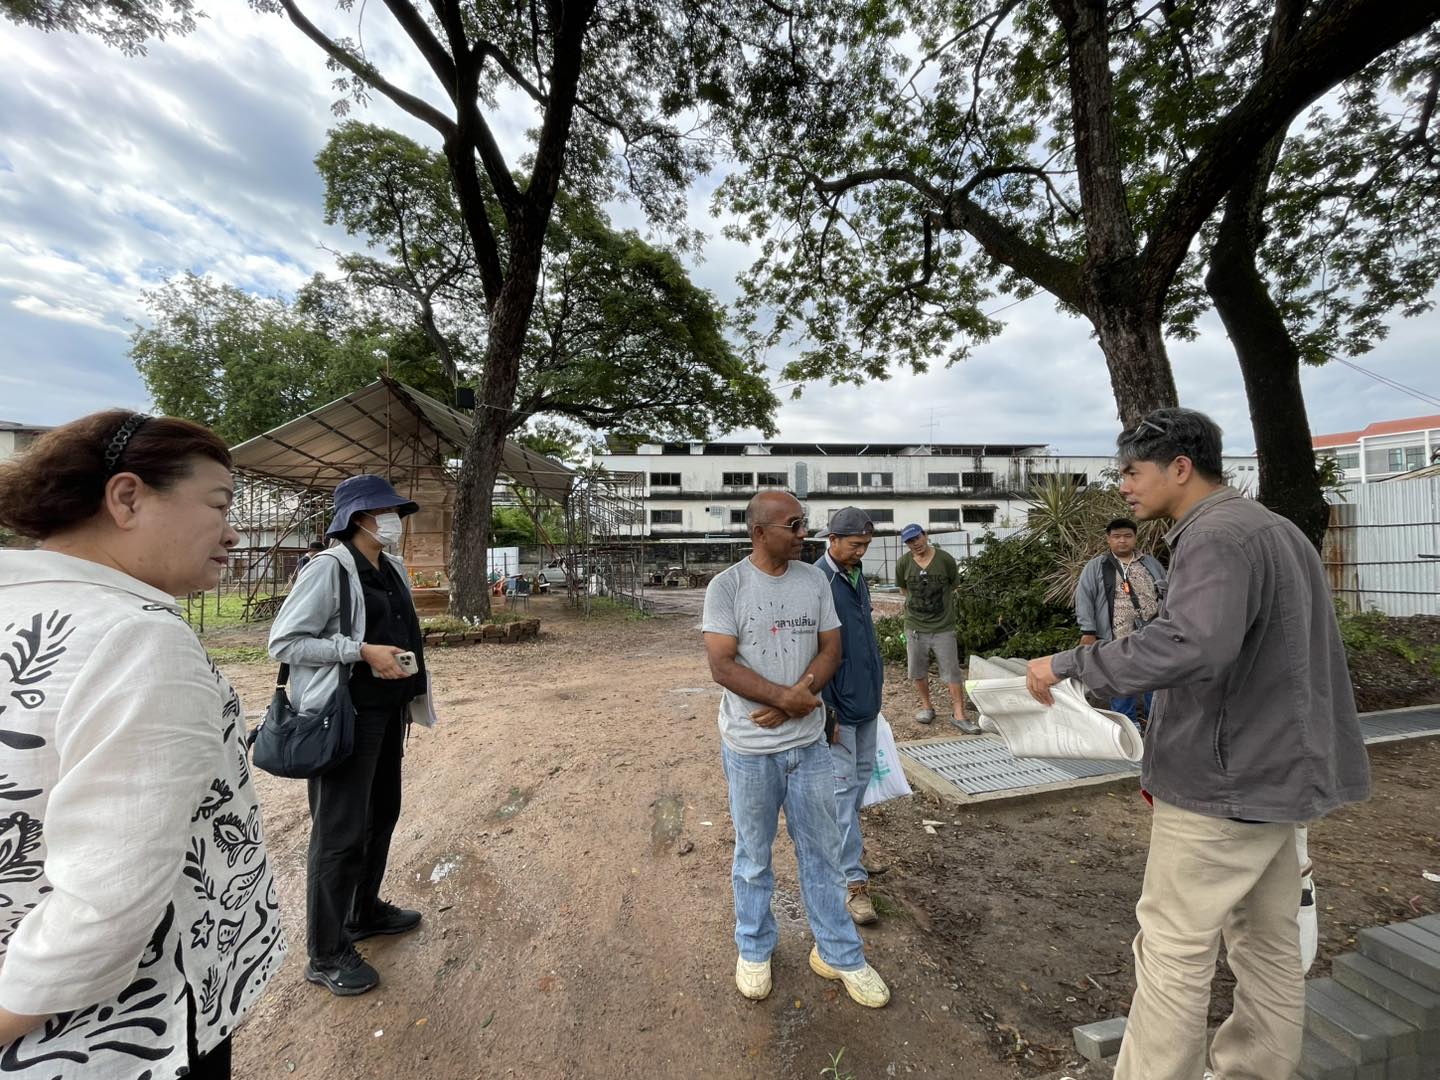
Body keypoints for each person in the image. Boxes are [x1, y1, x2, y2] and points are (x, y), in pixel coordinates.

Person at [1025, 408, 1371, 1080]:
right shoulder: (1277, 531)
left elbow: (1193, 644)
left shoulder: (1214, 538)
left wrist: (1070, 665)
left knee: (1174, 948)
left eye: (1133, 471)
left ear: (1181, 467)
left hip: (1224, 784)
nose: (1123, 486)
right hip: (1280, 778)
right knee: (1267, 944)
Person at [0, 410, 284, 1079]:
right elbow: (108, 908)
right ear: (127, 497)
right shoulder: (138, 640)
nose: (234, 530)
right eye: (218, 504)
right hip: (123, 1036)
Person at [702, 491, 890, 1008]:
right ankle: (754, 948)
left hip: (808, 748)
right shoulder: (727, 587)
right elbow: (721, 665)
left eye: (804, 524)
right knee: (753, 857)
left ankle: (839, 953)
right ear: (760, 532)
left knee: (823, 854)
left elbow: (833, 647)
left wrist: (797, 698)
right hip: (751, 750)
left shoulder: (814, 581)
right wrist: (785, 699)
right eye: (794, 525)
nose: (804, 533)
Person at [269, 474, 428, 996]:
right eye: (386, 512)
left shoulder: (391, 566)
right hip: (344, 717)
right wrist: (359, 651)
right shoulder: (328, 570)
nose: (395, 521)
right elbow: (285, 641)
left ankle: (363, 910)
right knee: (338, 833)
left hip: (387, 714)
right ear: (359, 518)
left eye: (397, 513)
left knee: (381, 814)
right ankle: (327, 950)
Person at [817, 508, 885, 926]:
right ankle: (852, 882)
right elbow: (813, 649)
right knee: (842, 795)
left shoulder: (856, 578)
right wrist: (826, 710)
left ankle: (845, 852)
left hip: (867, 702)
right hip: (838, 709)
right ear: (833, 539)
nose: (860, 552)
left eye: (865, 546)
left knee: (859, 785)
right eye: (854, 545)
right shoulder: (818, 581)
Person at [1072, 517, 1167, 729]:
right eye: (1116, 537)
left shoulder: (1150, 563)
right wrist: (1088, 630)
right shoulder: (1097, 566)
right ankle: (1127, 725)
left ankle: (1156, 723)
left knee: (1155, 678)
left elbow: (1166, 591)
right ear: (1108, 539)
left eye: (1127, 536)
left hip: (1152, 633)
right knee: (1121, 680)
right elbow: (1084, 598)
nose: (1122, 541)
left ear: (1135, 537)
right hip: (1116, 635)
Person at [895, 523, 980, 732]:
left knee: (952, 671)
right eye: (909, 541)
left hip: (943, 626)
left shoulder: (945, 560)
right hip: (914, 626)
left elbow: (953, 585)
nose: (915, 544)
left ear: (925, 535)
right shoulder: (903, 563)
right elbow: (904, 590)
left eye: (917, 538)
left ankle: (959, 714)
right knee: (918, 669)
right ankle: (926, 707)